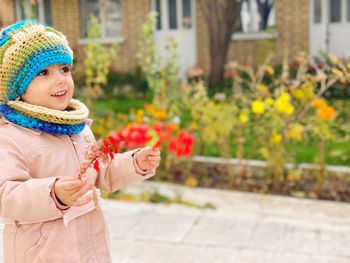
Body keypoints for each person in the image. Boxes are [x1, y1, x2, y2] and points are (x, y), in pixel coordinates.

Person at [0, 20, 160, 263]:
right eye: (44, 72)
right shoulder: (11, 137)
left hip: (88, 247)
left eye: (65, 69)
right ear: (18, 88)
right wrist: (53, 193)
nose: (61, 79)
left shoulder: (77, 129)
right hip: (42, 253)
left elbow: (101, 174)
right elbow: (6, 195)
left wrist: (134, 162)